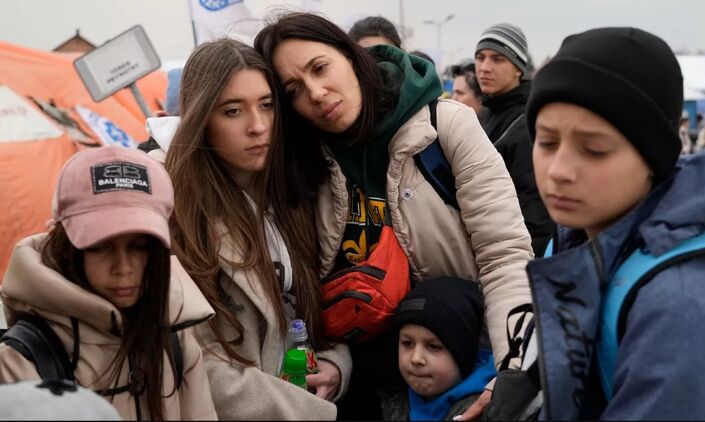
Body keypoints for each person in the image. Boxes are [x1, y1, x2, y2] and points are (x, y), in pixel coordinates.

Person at [255, 12, 534, 420]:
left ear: (350, 55)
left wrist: (512, 369)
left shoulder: (445, 127)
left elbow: (504, 255)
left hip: (460, 377)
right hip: (361, 383)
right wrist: (335, 361)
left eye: (320, 68)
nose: (315, 93)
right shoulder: (302, 159)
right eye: (294, 89)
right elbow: (308, 285)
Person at [525, 27, 705, 419]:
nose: (558, 170)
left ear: (653, 157)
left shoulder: (682, 309)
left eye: (594, 149)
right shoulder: (573, 240)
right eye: (546, 142)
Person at [158, 38, 351, 420]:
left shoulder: (297, 195)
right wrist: (309, 411)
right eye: (233, 111)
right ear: (201, 118)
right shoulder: (173, 213)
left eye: (266, 105)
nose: (258, 126)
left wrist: (335, 363)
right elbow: (197, 362)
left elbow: (318, 308)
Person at [0, 146, 217, 420]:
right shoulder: (21, 360)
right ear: (66, 246)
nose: (123, 268)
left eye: (140, 246)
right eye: (100, 247)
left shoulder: (176, 338)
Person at [474, 23, 554, 257]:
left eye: (498, 59)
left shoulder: (527, 122)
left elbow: (534, 210)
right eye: (480, 57)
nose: (485, 67)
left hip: (512, 255)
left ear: (518, 68)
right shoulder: (488, 112)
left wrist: (524, 267)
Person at [380, 278, 496, 420]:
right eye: (407, 343)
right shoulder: (388, 401)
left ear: (463, 354)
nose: (416, 358)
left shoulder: (489, 409)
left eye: (433, 346)